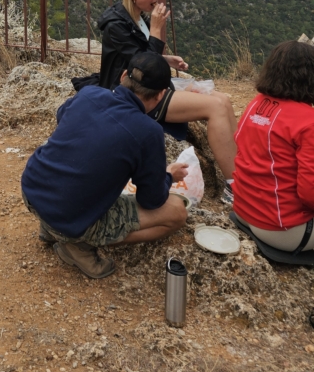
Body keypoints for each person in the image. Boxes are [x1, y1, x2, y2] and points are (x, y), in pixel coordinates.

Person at [21, 52, 189, 278]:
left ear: (122, 77)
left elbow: (62, 116)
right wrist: (167, 176)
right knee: (176, 212)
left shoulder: (89, 93)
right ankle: (77, 245)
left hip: (32, 192)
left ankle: (50, 228)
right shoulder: (148, 132)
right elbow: (151, 200)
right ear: (160, 96)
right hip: (70, 218)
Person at [98, 0, 237, 198]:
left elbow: (137, 56)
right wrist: (156, 30)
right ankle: (235, 187)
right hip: (136, 93)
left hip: (148, 83)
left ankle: (241, 166)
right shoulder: (116, 26)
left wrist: (167, 60)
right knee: (215, 107)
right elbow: (143, 64)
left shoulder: (134, 17)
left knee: (222, 99)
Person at [232, 40, 314, 254]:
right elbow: (309, 193)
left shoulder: (256, 104)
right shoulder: (308, 121)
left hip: (243, 211)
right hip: (282, 229)